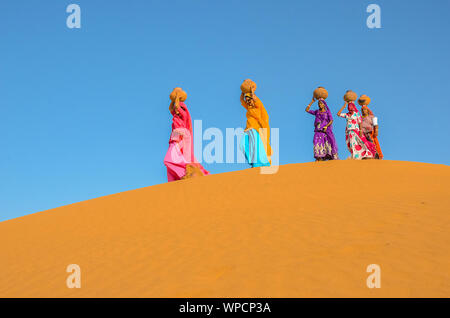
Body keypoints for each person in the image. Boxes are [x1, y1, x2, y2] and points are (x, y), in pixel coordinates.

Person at [163, 88, 209, 181]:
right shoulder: (176, 112)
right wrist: (175, 99)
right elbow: (171, 109)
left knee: (169, 159)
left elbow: (179, 111)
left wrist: (176, 99)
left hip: (180, 136)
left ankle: (187, 171)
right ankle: (180, 177)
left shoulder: (182, 107)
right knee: (174, 159)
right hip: (175, 137)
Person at [239, 80, 272, 166]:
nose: (248, 101)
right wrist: (243, 92)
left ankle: (259, 164)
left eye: (249, 99)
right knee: (242, 145)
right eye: (247, 100)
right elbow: (241, 101)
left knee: (257, 148)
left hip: (256, 129)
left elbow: (255, 98)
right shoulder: (249, 108)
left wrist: (251, 91)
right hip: (248, 130)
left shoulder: (259, 106)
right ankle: (252, 160)